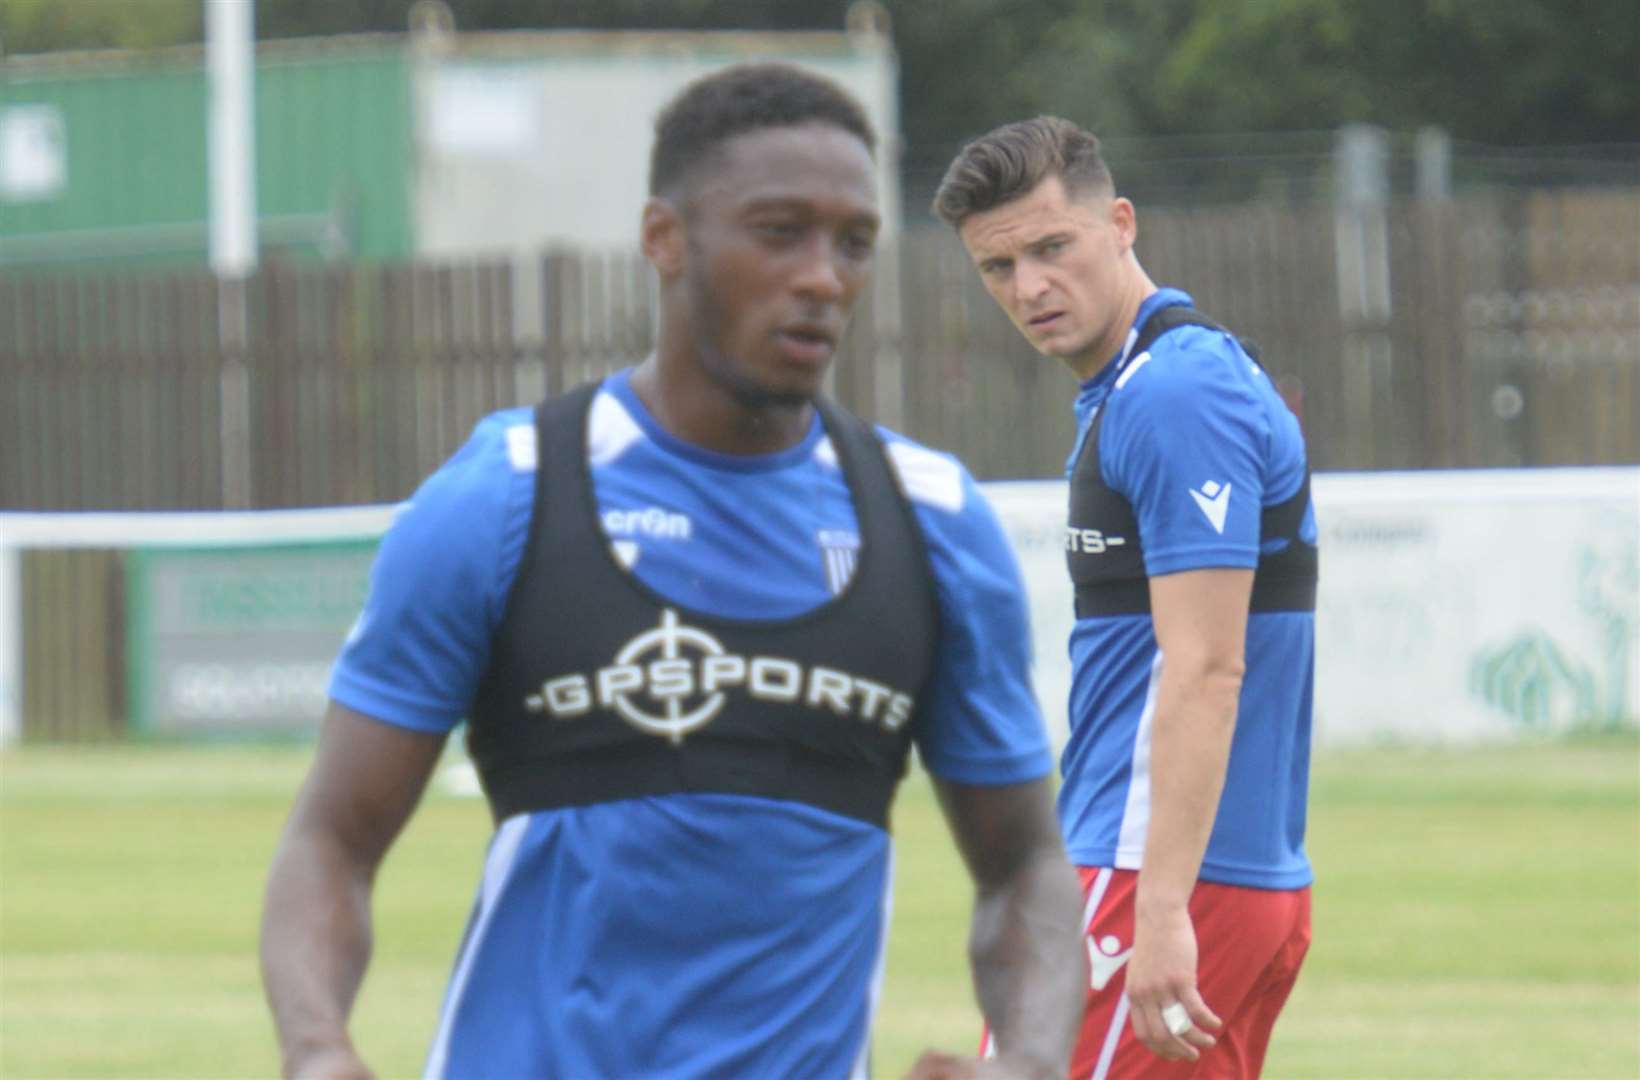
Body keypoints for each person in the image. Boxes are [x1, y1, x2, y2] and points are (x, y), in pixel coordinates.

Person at [260, 65, 1086, 1080]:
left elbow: (1024, 867)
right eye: (778, 231)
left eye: (852, 242)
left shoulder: (932, 525)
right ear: (663, 238)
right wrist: (315, 1050)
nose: (823, 276)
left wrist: (1032, 1060)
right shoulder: (505, 499)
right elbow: (331, 843)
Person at [933, 117, 1319, 1079]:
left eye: (1050, 248)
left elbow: (1206, 666)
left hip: (1152, 882)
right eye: (998, 266)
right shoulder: (1146, 384)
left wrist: (1159, 913)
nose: (1028, 288)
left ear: (1120, 223)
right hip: (1183, 877)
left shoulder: (1173, 394)